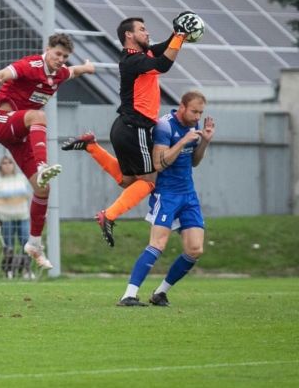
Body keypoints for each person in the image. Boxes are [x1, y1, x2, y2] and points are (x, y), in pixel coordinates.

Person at [62, 13, 198, 247]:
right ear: (129, 35)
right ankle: (109, 215)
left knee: (128, 181)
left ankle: (91, 146)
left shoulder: (142, 55)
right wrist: (180, 35)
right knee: (148, 181)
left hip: (125, 128)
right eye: (142, 29)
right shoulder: (132, 60)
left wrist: (178, 33)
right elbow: (163, 64)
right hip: (136, 128)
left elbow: (163, 48)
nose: (147, 32)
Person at [0, 33, 95, 270]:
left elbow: (72, 71)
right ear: (48, 50)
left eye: (65, 56)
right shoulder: (32, 64)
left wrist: (86, 68)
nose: (61, 59)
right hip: (1, 121)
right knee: (38, 115)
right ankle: (43, 165)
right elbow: (9, 72)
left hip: (20, 134)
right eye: (58, 54)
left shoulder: (60, 72)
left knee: (43, 188)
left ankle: (34, 244)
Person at [116, 91, 214, 307]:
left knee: (195, 249)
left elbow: (194, 162)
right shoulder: (164, 126)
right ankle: (128, 295)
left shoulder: (193, 128)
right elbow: (159, 163)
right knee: (158, 244)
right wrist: (183, 142)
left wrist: (204, 142)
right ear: (182, 107)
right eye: (194, 111)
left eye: (201, 112)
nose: (198, 117)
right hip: (166, 193)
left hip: (188, 194)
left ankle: (160, 293)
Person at [0, 156, 34, 279]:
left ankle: (26, 270)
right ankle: (9, 271)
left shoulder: (22, 179)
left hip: (23, 217)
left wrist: (34, 214)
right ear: (0, 166)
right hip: (6, 219)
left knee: (27, 243)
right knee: (9, 247)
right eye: (4, 163)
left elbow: (29, 198)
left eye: (10, 163)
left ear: (14, 165)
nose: (7, 165)